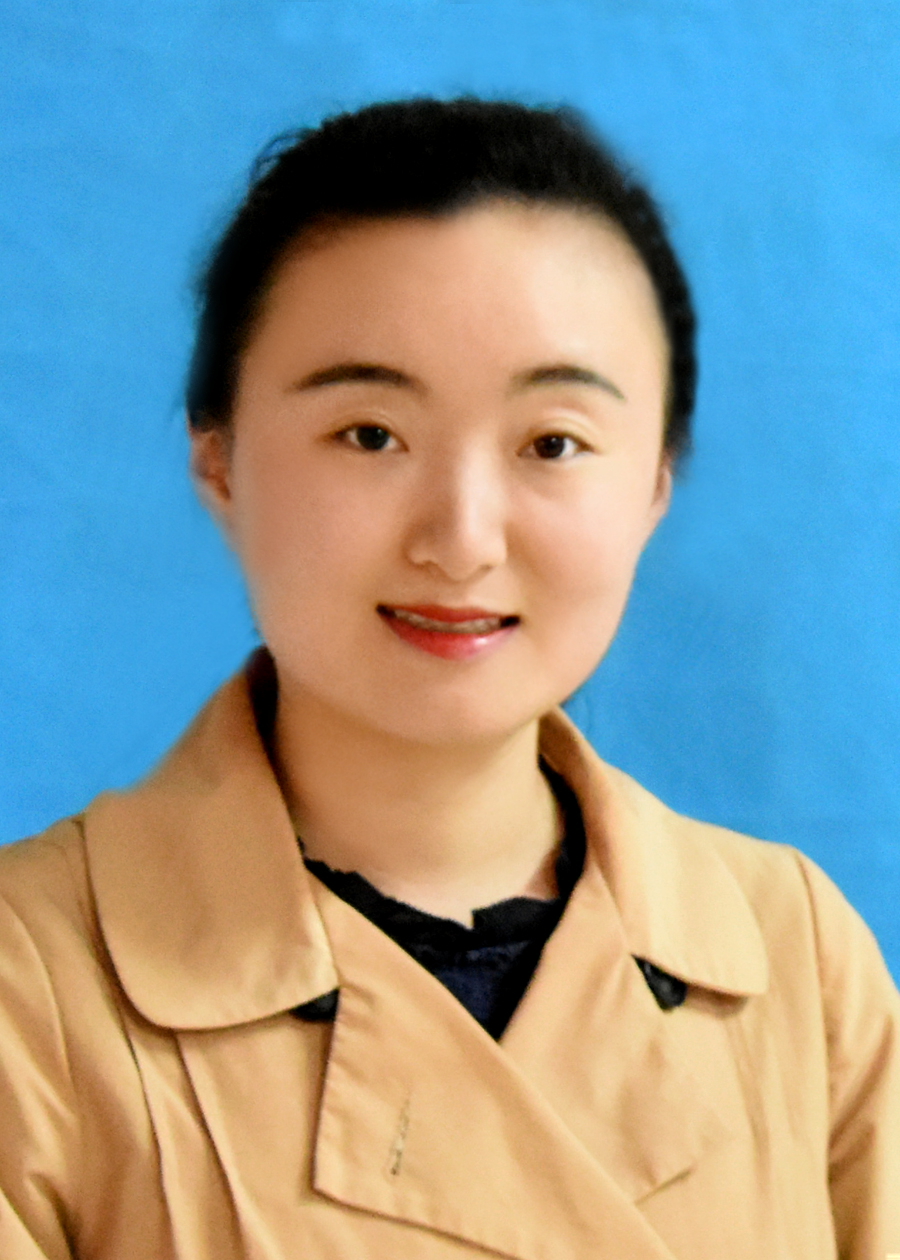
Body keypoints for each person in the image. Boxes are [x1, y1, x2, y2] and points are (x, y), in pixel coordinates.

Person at [0, 98, 897, 1260]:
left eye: (552, 443)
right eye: (371, 434)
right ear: (217, 459)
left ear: (654, 484)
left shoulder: (797, 953)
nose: (462, 540)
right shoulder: (31, 984)